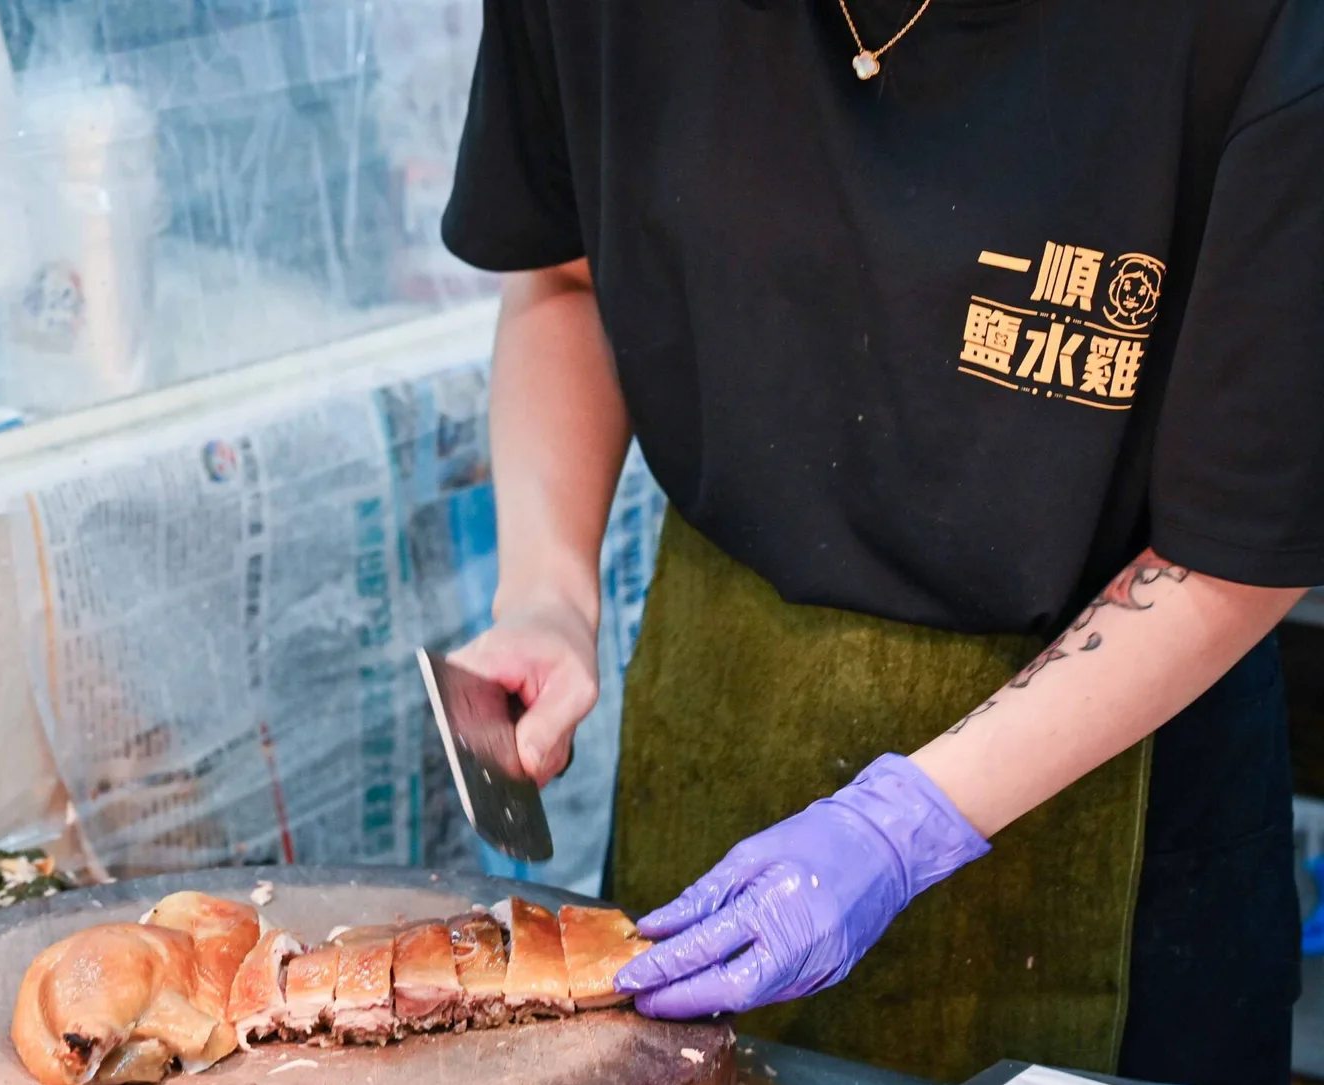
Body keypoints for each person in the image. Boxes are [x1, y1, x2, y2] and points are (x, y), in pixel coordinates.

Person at [439, 2, 1321, 1083]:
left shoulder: (1258, 31)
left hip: (1121, 762)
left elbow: (1243, 542)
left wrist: (900, 825)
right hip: (719, 711)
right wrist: (548, 591)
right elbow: (564, 279)